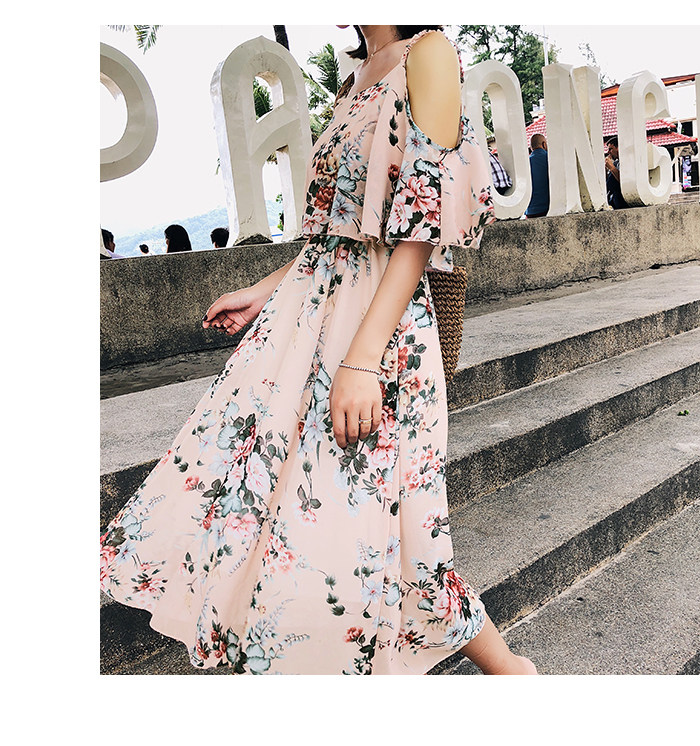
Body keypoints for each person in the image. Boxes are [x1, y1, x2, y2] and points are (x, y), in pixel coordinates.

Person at [101, 25, 537, 676]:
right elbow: (339, 233)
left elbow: (420, 228)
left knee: (390, 534)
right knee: (305, 521)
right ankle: (508, 674)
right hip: (311, 322)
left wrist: (363, 359)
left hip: (377, 333)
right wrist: (262, 292)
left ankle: (510, 673)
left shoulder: (429, 52)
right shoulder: (355, 78)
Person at [525, 133, 549, 218]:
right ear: (544, 144)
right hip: (548, 209)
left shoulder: (526, 163)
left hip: (530, 211)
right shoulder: (549, 158)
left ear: (531, 148)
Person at [604, 136, 628, 210]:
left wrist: (612, 168)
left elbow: (625, 181)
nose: (608, 152)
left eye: (610, 149)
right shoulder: (616, 163)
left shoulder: (627, 161)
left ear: (618, 148)